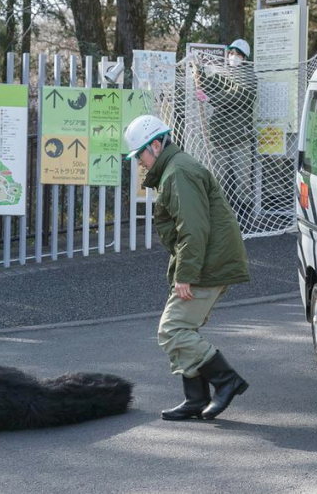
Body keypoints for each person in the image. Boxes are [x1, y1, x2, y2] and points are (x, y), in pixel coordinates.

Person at [124, 114, 251, 421]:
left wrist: (186, 275)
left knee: (172, 329)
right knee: (183, 329)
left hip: (207, 266)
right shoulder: (175, 168)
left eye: (140, 154)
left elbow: (193, 229)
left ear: (155, 146)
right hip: (208, 262)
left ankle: (226, 381)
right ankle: (195, 398)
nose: (139, 162)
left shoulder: (178, 171)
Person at [194, 38, 258, 221]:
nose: (233, 56)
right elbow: (210, 84)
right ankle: (222, 215)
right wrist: (198, 70)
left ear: (244, 57)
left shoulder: (249, 77)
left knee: (242, 183)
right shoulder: (224, 74)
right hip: (220, 136)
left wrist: (211, 99)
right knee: (219, 179)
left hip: (240, 139)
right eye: (231, 53)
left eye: (237, 54)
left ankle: (245, 218)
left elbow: (239, 95)